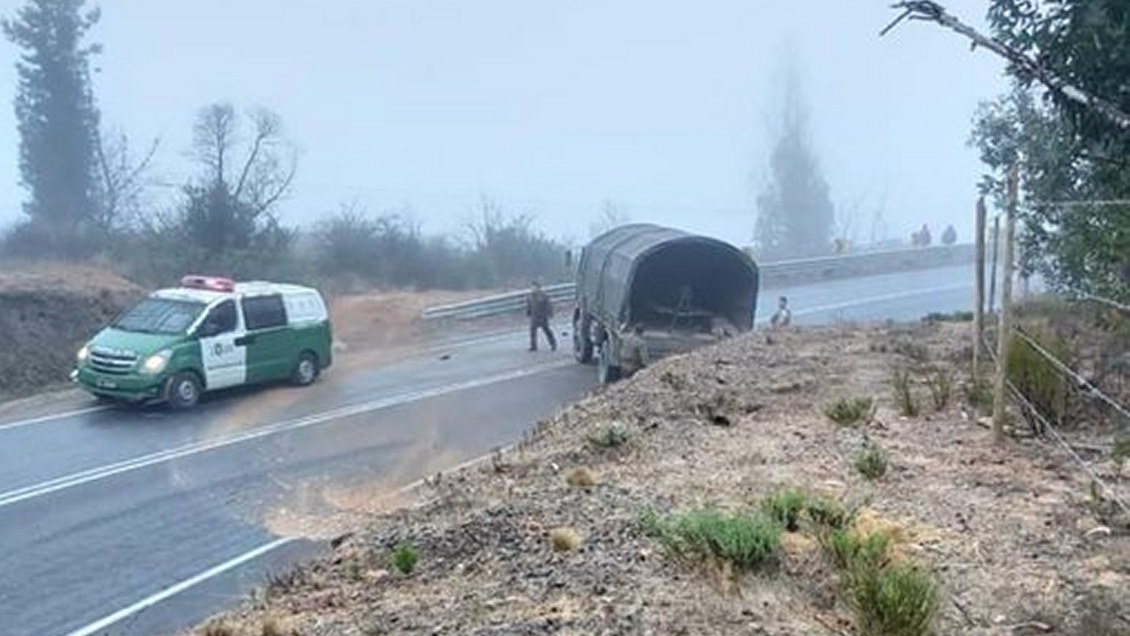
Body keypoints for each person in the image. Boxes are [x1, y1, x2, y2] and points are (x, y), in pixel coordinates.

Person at [525, 281, 556, 352]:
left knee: (546, 330)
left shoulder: (544, 296)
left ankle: (553, 344)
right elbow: (529, 306)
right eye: (532, 287)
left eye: (534, 287)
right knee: (533, 331)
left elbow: (548, 305)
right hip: (534, 316)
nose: (533, 289)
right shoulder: (530, 297)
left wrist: (550, 314)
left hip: (542, 316)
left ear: (538, 288)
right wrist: (528, 312)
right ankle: (533, 346)